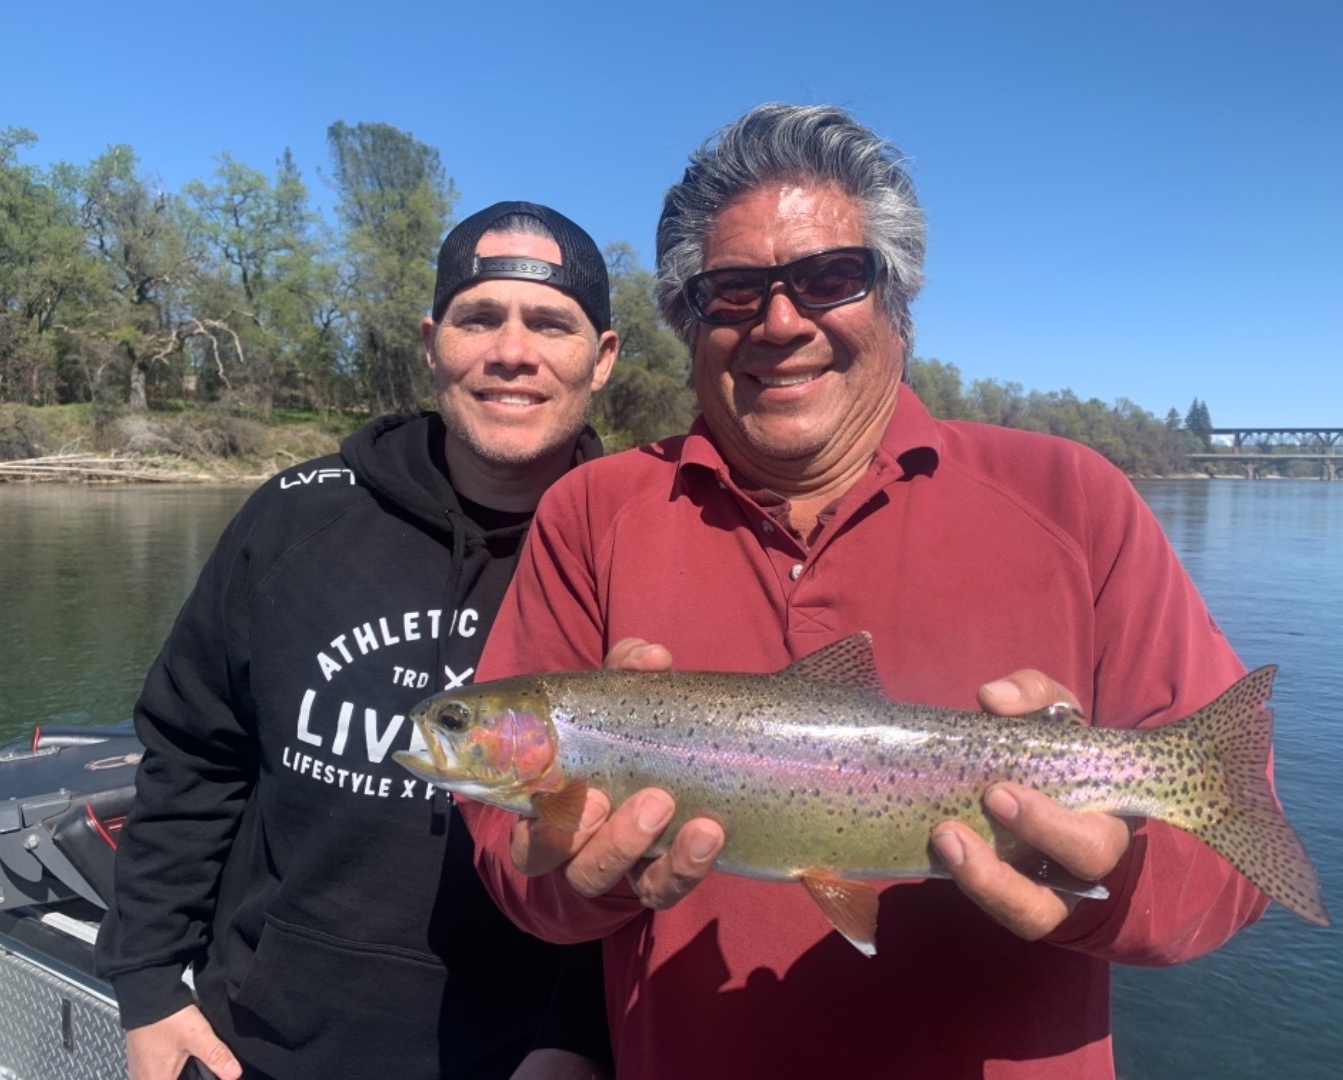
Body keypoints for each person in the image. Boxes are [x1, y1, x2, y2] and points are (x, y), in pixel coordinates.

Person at [461, 108, 1272, 1079]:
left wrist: (1112, 871)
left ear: (897, 298)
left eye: (830, 277)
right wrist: (578, 884)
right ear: (686, 319)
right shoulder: (590, 512)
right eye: (733, 291)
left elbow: (1220, 883)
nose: (782, 320)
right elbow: (512, 866)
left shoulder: (1075, 500)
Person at [97, 201, 621, 1080]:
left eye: (551, 324)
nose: (512, 352)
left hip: (525, 1058)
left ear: (600, 359)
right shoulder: (298, 515)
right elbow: (192, 753)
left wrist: (576, 1037)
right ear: (430, 342)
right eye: (478, 318)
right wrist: (148, 984)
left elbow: (660, 839)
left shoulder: (631, 547)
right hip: (260, 1045)